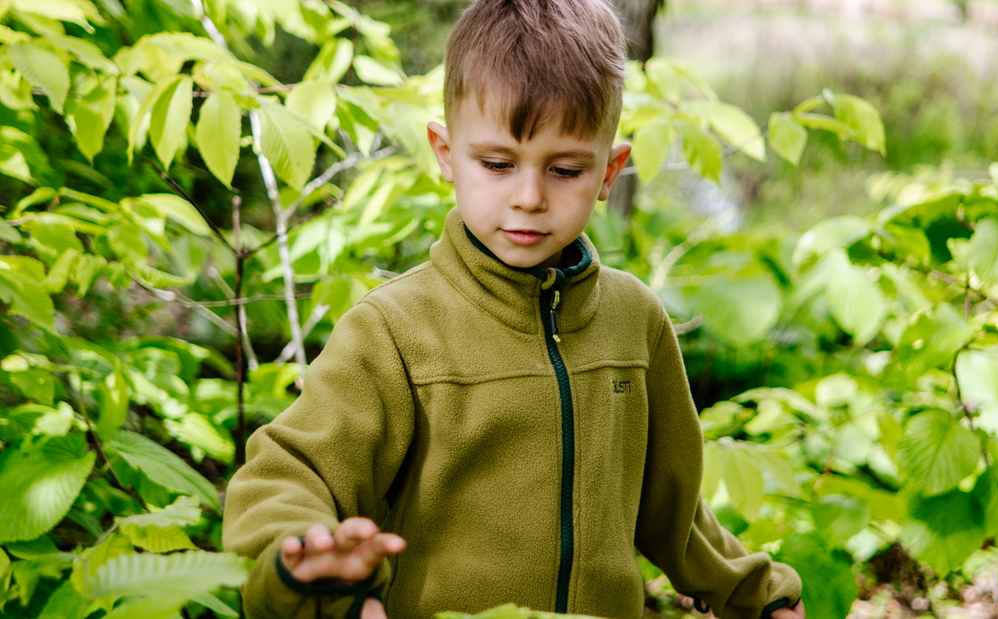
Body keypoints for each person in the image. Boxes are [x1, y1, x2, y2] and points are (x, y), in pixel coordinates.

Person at [222, 0, 807, 617]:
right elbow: (288, 476)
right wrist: (312, 575)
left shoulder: (636, 321)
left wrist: (758, 597)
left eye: (564, 169)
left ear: (609, 171)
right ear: (446, 154)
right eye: (497, 164)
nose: (528, 197)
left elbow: (673, 508)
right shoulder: (393, 331)